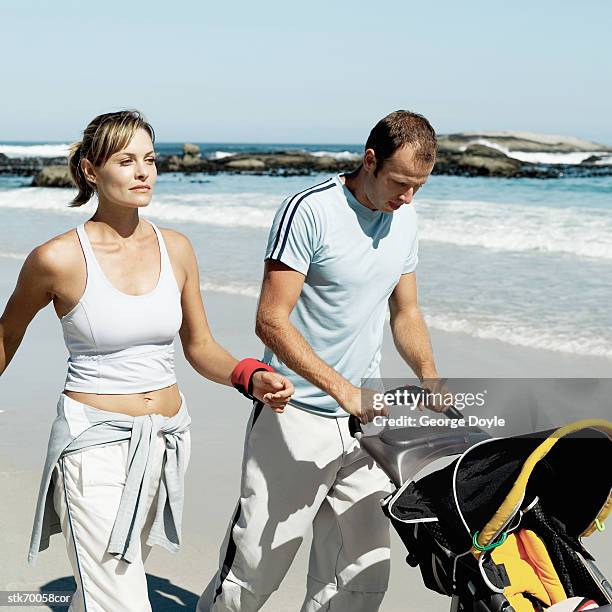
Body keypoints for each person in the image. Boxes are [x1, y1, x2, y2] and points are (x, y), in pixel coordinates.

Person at [0, 110, 293, 612]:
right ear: (91, 171)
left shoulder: (176, 248)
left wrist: (251, 375)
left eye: (150, 160)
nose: (144, 172)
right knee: (119, 599)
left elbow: (199, 346)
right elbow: (6, 336)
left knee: (110, 587)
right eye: (126, 160)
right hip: (92, 444)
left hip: (165, 441)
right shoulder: (56, 259)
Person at [198, 110, 446, 611]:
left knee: (360, 574)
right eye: (400, 182)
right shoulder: (308, 210)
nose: (408, 197)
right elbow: (271, 320)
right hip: (294, 415)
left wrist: (430, 377)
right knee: (254, 571)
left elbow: (407, 311)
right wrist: (342, 390)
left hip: (367, 425)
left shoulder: (406, 219)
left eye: (419, 186)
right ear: (370, 160)